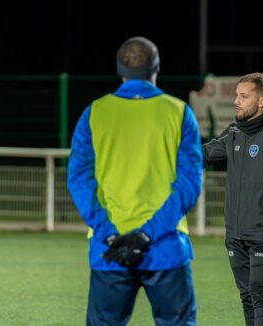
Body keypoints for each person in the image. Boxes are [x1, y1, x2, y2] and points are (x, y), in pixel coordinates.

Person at [68, 36, 202, 326]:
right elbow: (189, 184)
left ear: (119, 69)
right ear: (156, 67)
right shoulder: (179, 113)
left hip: (110, 248)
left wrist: (108, 233)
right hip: (165, 246)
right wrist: (146, 234)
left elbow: (79, 180)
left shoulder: (95, 112)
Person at [202, 72, 263, 326]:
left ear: (262, 101)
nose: (236, 101)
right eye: (236, 96)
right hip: (234, 234)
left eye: (244, 96)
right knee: (246, 296)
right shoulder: (233, 132)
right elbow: (204, 153)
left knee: (261, 296)